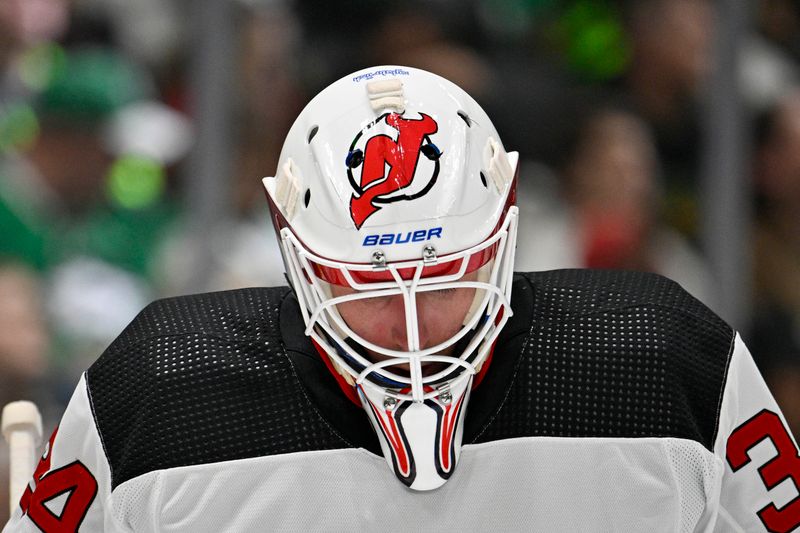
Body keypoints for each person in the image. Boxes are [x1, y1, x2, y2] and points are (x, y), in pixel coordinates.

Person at [2, 65, 797, 532]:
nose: (409, 326)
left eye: (446, 277)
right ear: (290, 245)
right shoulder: (156, 387)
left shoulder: (668, 361)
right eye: (367, 284)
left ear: (506, 229)